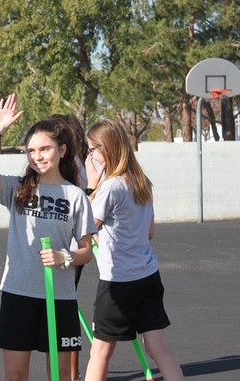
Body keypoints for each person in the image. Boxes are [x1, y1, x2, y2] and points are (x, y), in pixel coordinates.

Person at [0, 93, 97, 381]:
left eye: (45, 149)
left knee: (62, 376)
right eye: (31, 151)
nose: (38, 156)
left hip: (60, 296)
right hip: (19, 293)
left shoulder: (76, 196)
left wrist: (65, 257)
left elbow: (87, 251)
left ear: (62, 150)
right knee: (15, 376)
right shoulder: (17, 188)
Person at [83, 119, 184, 381]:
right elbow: (149, 232)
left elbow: (85, 227)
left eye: (92, 149)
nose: (89, 155)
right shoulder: (141, 182)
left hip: (119, 282)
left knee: (100, 352)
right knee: (157, 348)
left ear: (106, 149)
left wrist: (91, 187)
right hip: (148, 276)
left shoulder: (110, 187)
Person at [47, 114, 89, 381]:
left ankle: (69, 374)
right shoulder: (79, 164)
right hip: (68, 247)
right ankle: (71, 374)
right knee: (66, 311)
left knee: (62, 314)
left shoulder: (71, 166)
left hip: (67, 248)